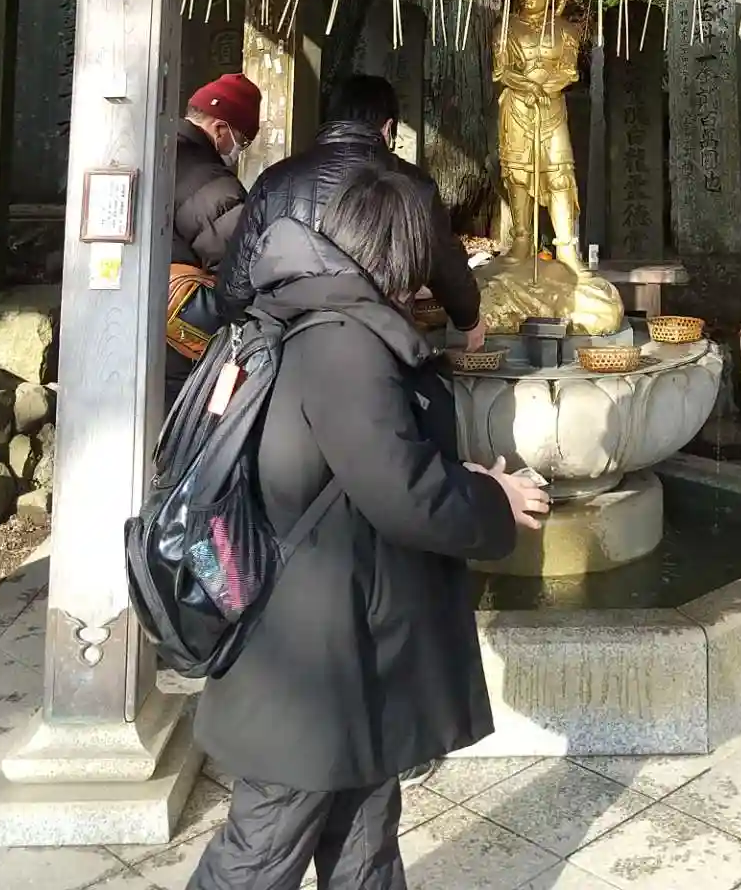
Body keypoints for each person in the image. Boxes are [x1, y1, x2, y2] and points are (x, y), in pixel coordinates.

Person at [191, 162, 547, 890]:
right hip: (310, 663)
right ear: (396, 252)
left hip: (348, 644)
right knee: (262, 851)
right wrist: (493, 502)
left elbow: (360, 466)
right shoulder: (344, 345)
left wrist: (462, 476)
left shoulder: (313, 318)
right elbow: (403, 493)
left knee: (363, 839)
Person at [217, 73, 486, 350]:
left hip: (289, 347)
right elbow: (447, 267)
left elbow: (235, 290)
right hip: (381, 347)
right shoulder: (414, 185)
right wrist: (469, 320)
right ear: (388, 127)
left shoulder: (274, 181)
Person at [166, 74, 261, 405]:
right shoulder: (212, 184)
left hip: (149, 325)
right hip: (184, 337)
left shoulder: (159, 151)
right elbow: (241, 266)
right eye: (242, 141)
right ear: (220, 129)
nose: (238, 151)